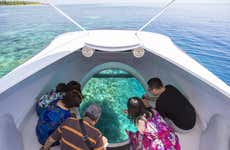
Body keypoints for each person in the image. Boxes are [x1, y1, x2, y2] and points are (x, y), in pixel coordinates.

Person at [41, 104, 108, 150]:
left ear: (84, 113)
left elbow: (50, 140)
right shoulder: (97, 135)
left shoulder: (68, 121)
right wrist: (104, 145)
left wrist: (44, 148)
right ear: (97, 119)